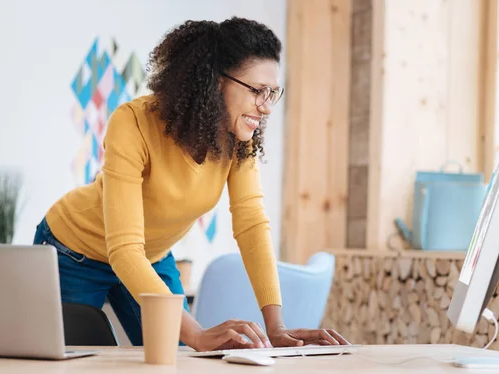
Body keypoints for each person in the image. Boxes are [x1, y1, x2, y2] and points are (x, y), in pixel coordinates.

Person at [33, 17, 348, 351]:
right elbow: (123, 250)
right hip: (74, 252)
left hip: (150, 257)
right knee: (70, 367)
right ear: (214, 82)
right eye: (257, 91)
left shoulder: (238, 140)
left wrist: (277, 328)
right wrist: (196, 333)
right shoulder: (132, 123)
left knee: (177, 361)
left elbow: (251, 223)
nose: (266, 107)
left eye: (272, 93)